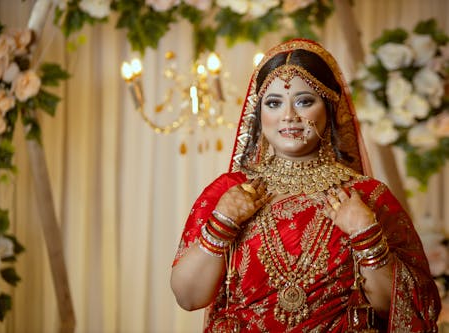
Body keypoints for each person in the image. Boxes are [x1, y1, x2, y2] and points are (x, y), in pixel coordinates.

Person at [170, 39, 441, 332]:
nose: (288, 116)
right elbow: (188, 297)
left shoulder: (367, 196)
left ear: (329, 106)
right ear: (259, 115)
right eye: (273, 103)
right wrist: (222, 224)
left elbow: (402, 309)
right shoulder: (229, 193)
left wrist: (367, 236)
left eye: (304, 101)